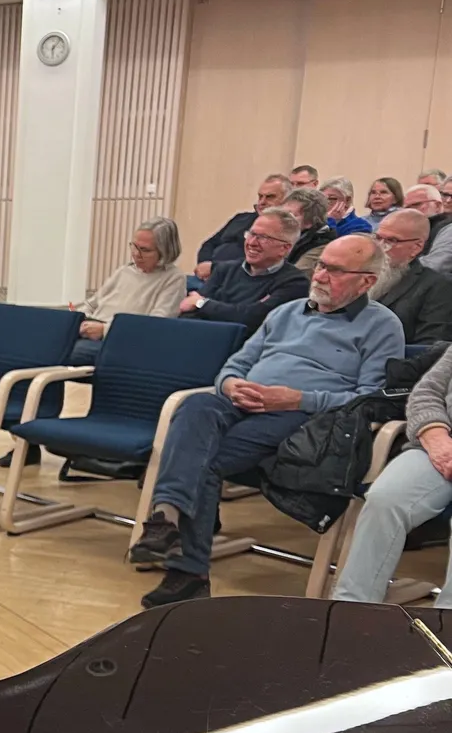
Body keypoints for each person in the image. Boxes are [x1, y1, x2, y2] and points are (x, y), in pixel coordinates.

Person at [131, 233, 402, 607]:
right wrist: (230, 384)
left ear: (366, 281)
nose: (320, 275)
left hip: (298, 416)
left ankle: (185, 565)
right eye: (321, 265)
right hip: (242, 399)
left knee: (205, 460)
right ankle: (167, 522)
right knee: (195, 407)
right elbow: (237, 363)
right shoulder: (287, 312)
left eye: (335, 271)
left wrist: (297, 399)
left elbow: (371, 399)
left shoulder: (382, 326)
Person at [332, 342, 452, 605]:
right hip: (440, 444)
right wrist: (435, 435)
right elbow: (426, 392)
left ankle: (447, 618)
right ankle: (351, 607)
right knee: (384, 499)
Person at [69, 218, 187, 365]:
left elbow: (155, 325)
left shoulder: (174, 278)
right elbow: (92, 304)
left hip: (120, 341)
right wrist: (76, 319)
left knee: (64, 351)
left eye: (145, 250)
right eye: (134, 246)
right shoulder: (125, 271)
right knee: (46, 339)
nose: (136, 254)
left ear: (165, 251)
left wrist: (104, 330)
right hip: (91, 330)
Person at [179, 208, 309, 334]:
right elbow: (189, 311)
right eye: (251, 234)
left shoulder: (295, 283)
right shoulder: (225, 270)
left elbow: (253, 318)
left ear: (284, 248)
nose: (252, 242)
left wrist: (202, 303)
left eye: (263, 237)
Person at [371, 210, 452, 344]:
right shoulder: (358, 273)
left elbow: (429, 347)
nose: (380, 247)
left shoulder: (438, 287)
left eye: (391, 240)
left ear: (416, 247)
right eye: (377, 238)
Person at [194, 173, 292, 281]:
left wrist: (214, 268)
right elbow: (209, 244)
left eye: (270, 197)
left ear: (287, 200)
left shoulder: (284, 230)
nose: (262, 202)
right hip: (207, 277)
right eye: (260, 196)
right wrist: (203, 264)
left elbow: (258, 261)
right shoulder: (241, 218)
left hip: (236, 281)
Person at [282, 187, 335, 273]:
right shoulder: (285, 236)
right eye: (283, 214)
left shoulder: (321, 245)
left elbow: (296, 275)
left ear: (310, 221)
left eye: (291, 215)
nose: (283, 219)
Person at [404, 185, 452, 272]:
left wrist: (398, 269)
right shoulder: (405, 228)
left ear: (437, 205)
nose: (411, 210)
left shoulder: (447, 228)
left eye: (416, 205)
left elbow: (435, 264)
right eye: (407, 207)